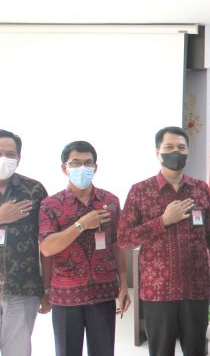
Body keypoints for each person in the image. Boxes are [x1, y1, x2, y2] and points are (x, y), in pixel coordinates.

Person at [117, 126, 210, 356]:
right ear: (157, 152)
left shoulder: (200, 189)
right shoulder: (140, 191)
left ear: (188, 152)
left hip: (196, 289)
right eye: (169, 147)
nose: (175, 152)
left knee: (196, 351)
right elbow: (124, 239)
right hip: (158, 291)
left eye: (181, 147)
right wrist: (163, 221)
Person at [39, 141, 130, 356]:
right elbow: (47, 248)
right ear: (64, 168)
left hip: (103, 293)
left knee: (103, 351)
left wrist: (124, 284)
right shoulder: (50, 205)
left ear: (95, 167)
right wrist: (81, 225)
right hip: (65, 295)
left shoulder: (110, 201)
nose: (82, 168)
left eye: (88, 163)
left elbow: (117, 245)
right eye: (75, 163)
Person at [0, 129, 49, 356]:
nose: (4, 159)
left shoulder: (34, 190)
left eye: (10, 154)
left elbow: (47, 243)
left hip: (22, 288)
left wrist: (46, 288)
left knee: (17, 351)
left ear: (19, 158)